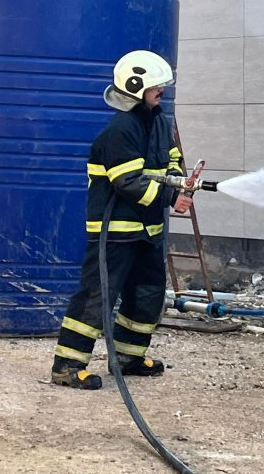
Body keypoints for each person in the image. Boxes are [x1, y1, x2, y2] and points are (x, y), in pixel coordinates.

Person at [51, 50, 192, 390]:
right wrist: (170, 197)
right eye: (156, 87)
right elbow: (127, 181)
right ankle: (67, 365)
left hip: (147, 229)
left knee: (147, 294)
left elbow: (171, 158)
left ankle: (129, 358)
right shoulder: (121, 129)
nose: (162, 91)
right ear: (135, 87)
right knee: (98, 295)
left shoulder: (159, 122)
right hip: (114, 230)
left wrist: (179, 181)